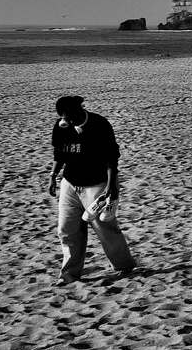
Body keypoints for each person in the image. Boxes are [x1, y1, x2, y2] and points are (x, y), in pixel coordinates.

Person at [49, 95, 137, 283]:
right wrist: (53, 176)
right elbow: (59, 153)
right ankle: (69, 275)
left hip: (97, 184)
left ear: (80, 109)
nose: (66, 121)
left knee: (104, 228)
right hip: (70, 183)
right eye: (62, 117)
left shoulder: (99, 124)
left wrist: (111, 186)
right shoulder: (61, 126)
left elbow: (111, 159)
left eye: (69, 116)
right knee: (67, 230)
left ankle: (124, 266)